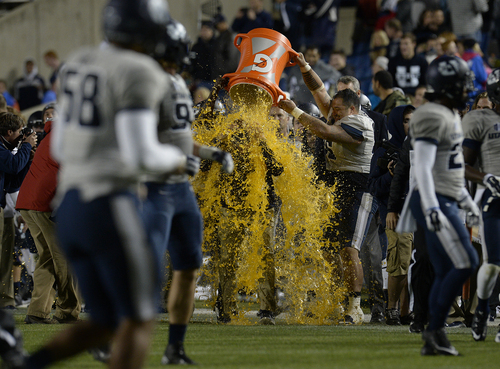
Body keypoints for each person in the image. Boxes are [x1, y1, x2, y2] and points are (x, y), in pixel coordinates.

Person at [23, 1, 196, 369]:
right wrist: (180, 160)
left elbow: (59, 144)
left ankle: (26, 364)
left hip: (70, 207)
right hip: (109, 205)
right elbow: (143, 154)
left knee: (104, 321)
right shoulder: (139, 70)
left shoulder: (79, 62)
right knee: (138, 317)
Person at [144, 19, 233, 364]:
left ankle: (174, 347)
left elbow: (179, 139)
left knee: (189, 266)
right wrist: (172, 162)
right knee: (146, 265)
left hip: (179, 188)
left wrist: (212, 154)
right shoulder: (145, 84)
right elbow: (135, 141)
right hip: (150, 184)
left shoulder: (178, 85)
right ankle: (112, 331)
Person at [397, 55, 479, 355]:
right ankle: (433, 331)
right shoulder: (432, 114)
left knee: (446, 270)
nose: (466, 89)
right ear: (447, 86)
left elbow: (451, 168)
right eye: (460, 83)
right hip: (433, 199)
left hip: (444, 196)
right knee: (466, 262)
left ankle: (434, 334)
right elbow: (423, 167)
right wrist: (432, 206)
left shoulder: (448, 113)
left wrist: (466, 200)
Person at [279, 87, 375, 325]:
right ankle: (337, 300)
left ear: (353, 109)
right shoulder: (342, 115)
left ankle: (355, 307)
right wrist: (303, 64)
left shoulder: (361, 123)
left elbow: (324, 130)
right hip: (336, 189)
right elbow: (319, 90)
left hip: (357, 188)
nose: (333, 113)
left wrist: (294, 111)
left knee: (350, 249)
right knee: (330, 249)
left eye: (338, 109)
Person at [16, 105, 81, 325]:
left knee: (47, 258)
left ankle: (37, 311)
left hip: (28, 203)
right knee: (64, 258)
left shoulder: (52, 135)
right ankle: (68, 310)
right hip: (44, 205)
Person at [461, 68, 500, 343]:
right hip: (493, 196)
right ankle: (483, 310)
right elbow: (462, 165)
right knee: (494, 263)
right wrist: (485, 177)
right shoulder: (481, 119)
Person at [370, 105, 415, 325]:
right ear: (397, 123)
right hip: (395, 214)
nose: (411, 125)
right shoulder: (385, 150)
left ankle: (406, 310)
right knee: (399, 262)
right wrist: (389, 176)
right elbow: (373, 186)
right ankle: (392, 309)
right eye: (406, 120)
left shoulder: (422, 147)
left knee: (413, 263)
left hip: (420, 212)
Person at [0, 112, 36, 310]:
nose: (23, 135)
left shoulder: (7, 147)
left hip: (3, 207)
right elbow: (13, 165)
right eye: (20, 132)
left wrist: (27, 155)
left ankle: (5, 299)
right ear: (9, 132)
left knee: (5, 255)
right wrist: (27, 145)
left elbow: (14, 182)